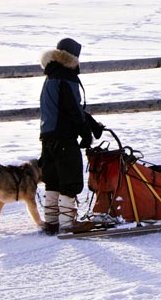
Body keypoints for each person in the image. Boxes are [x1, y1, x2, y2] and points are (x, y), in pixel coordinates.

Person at [38, 37, 103, 234]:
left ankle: (51, 221)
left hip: (48, 136)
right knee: (70, 178)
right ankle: (67, 223)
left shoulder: (51, 76)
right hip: (64, 136)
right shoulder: (66, 77)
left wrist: (91, 123)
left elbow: (61, 107)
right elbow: (73, 110)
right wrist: (85, 132)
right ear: (73, 57)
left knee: (54, 178)